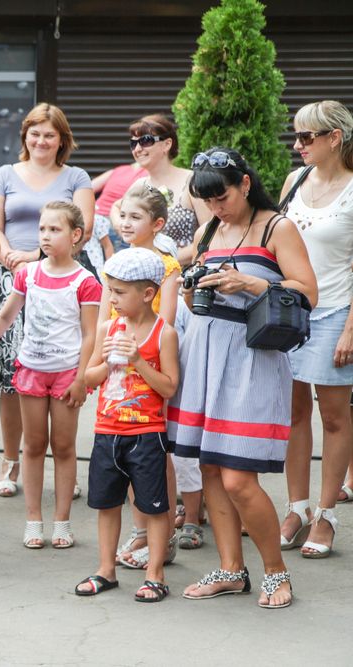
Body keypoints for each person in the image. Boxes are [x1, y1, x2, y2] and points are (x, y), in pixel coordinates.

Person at [172, 147, 317, 609]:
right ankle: (232, 569)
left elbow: (307, 290)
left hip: (252, 357)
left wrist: (251, 284)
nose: (216, 206)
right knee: (210, 466)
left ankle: (276, 571)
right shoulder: (208, 229)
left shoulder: (278, 227)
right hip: (204, 351)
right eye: (207, 199)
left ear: (246, 184)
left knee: (238, 478)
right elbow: (189, 287)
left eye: (223, 196)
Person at [0, 103, 94, 499]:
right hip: (14, 278)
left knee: (62, 370)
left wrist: (35, 256)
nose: (41, 140)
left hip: (61, 280)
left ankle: (67, 464)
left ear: (62, 139)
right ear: (25, 136)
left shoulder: (76, 176)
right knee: (13, 379)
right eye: (34, 133)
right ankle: (11, 461)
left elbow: (86, 225)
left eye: (50, 134)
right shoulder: (4, 175)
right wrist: (12, 254)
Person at [0, 201, 100, 549]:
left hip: (67, 374)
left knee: (64, 447)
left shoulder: (85, 282)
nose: (46, 236)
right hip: (31, 371)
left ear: (76, 235)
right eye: (42, 230)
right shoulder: (28, 274)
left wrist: (82, 377)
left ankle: (62, 521)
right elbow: (6, 318)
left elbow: (89, 334)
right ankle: (33, 519)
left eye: (55, 230)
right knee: (33, 446)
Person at [76, 248, 179, 602]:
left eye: (120, 292)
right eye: (111, 290)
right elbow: (88, 377)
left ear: (147, 294)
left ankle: (155, 572)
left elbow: (169, 386)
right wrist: (109, 361)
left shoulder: (163, 333)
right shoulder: (108, 328)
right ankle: (106, 569)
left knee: (153, 506)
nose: (112, 298)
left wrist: (137, 360)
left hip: (146, 432)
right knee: (106, 503)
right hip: (107, 430)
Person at [278, 100, 353, 558]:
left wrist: (351, 329)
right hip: (291, 313)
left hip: (335, 312)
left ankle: (326, 515)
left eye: (307, 137)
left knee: (335, 416)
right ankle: (296, 507)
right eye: (297, 135)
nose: (298, 144)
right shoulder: (295, 180)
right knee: (293, 415)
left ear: (334, 138)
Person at [97, 182, 187, 562]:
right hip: (116, 372)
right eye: (123, 216)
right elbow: (106, 317)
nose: (126, 223)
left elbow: (162, 322)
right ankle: (140, 532)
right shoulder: (116, 265)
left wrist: (136, 353)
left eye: (136, 217)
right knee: (123, 456)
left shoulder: (166, 266)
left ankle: (159, 536)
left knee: (154, 456)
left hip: (151, 366)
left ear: (158, 223)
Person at [113, 114, 212, 263]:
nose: (138, 149)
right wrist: (123, 228)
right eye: (133, 144)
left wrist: (164, 260)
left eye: (145, 141)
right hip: (144, 274)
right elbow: (116, 207)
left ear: (167, 144)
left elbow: (210, 235)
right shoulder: (139, 185)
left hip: (183, 276)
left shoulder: (192, 182)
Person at [91, 161, 144, 254]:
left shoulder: (117, 170)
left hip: (95, 217)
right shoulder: (149, 176)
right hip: (117, 219)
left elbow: (89, 187)